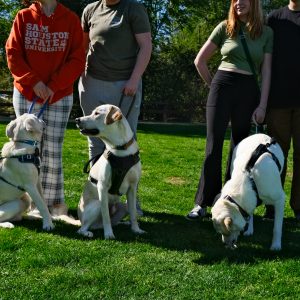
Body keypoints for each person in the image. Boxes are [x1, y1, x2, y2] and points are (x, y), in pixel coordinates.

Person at [186, 0, 273, 220]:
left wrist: (262, 105)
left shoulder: (266, 33)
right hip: (223, 84)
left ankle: (231, 199)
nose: (238, 4)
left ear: (254, 4)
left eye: (244, 0)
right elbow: (200, 61)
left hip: (249, 91)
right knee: (213, 144)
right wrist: (214, 86)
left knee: (240, 149)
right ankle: (202, 203)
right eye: (235, 0)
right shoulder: (225, 27)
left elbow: (267, 71)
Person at [5, 0, 86, 216]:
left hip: (58, 94)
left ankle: (54, 205)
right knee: (26, 149)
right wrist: (35, 82)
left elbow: (78, 58)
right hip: (27, 92)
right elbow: (13, 53)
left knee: (52, 149)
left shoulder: (70, 19)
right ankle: (28, 202)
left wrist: (54, 85)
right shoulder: (23, 16)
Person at [78, 0, 152, 215]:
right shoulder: (90, 10)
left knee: (126, 143)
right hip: (92, 83)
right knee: (95, 143)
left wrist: (134, 79)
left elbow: (146, 46)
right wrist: (81, 76)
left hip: (124, 85)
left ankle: (131, 203)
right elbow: (82, 47)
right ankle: (96, 200)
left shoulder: (134, 9)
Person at [264, 0, 300, 220]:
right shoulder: (274, 19)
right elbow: (265, 61)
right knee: (276, 156)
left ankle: (299, 208)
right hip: (278, 100)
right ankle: (271, 206)